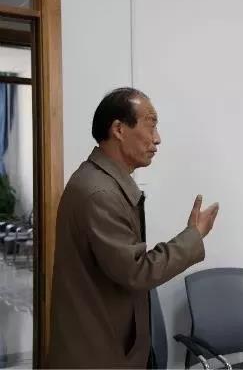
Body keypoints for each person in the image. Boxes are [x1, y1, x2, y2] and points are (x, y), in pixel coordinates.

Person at [48, 87, 219, 368]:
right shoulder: (100, 193)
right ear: (118, 129)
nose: (157, 138)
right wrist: (193, 236)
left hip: (105, 344)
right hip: (96, 355)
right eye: (150, 124)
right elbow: (137, 271)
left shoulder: (102, 182)